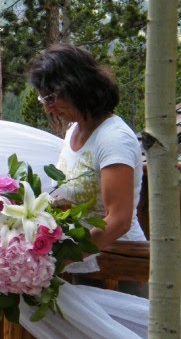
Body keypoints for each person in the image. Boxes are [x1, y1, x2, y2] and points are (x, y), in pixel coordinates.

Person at [28, 44, 146, 275]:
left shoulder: (114, 138)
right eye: (43, 99)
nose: (47, 108)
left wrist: (60, 260)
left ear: (77, 87)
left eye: (51, 98)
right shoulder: (74, 130)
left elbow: (119, 220)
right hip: (86, 264)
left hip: (118, 267)